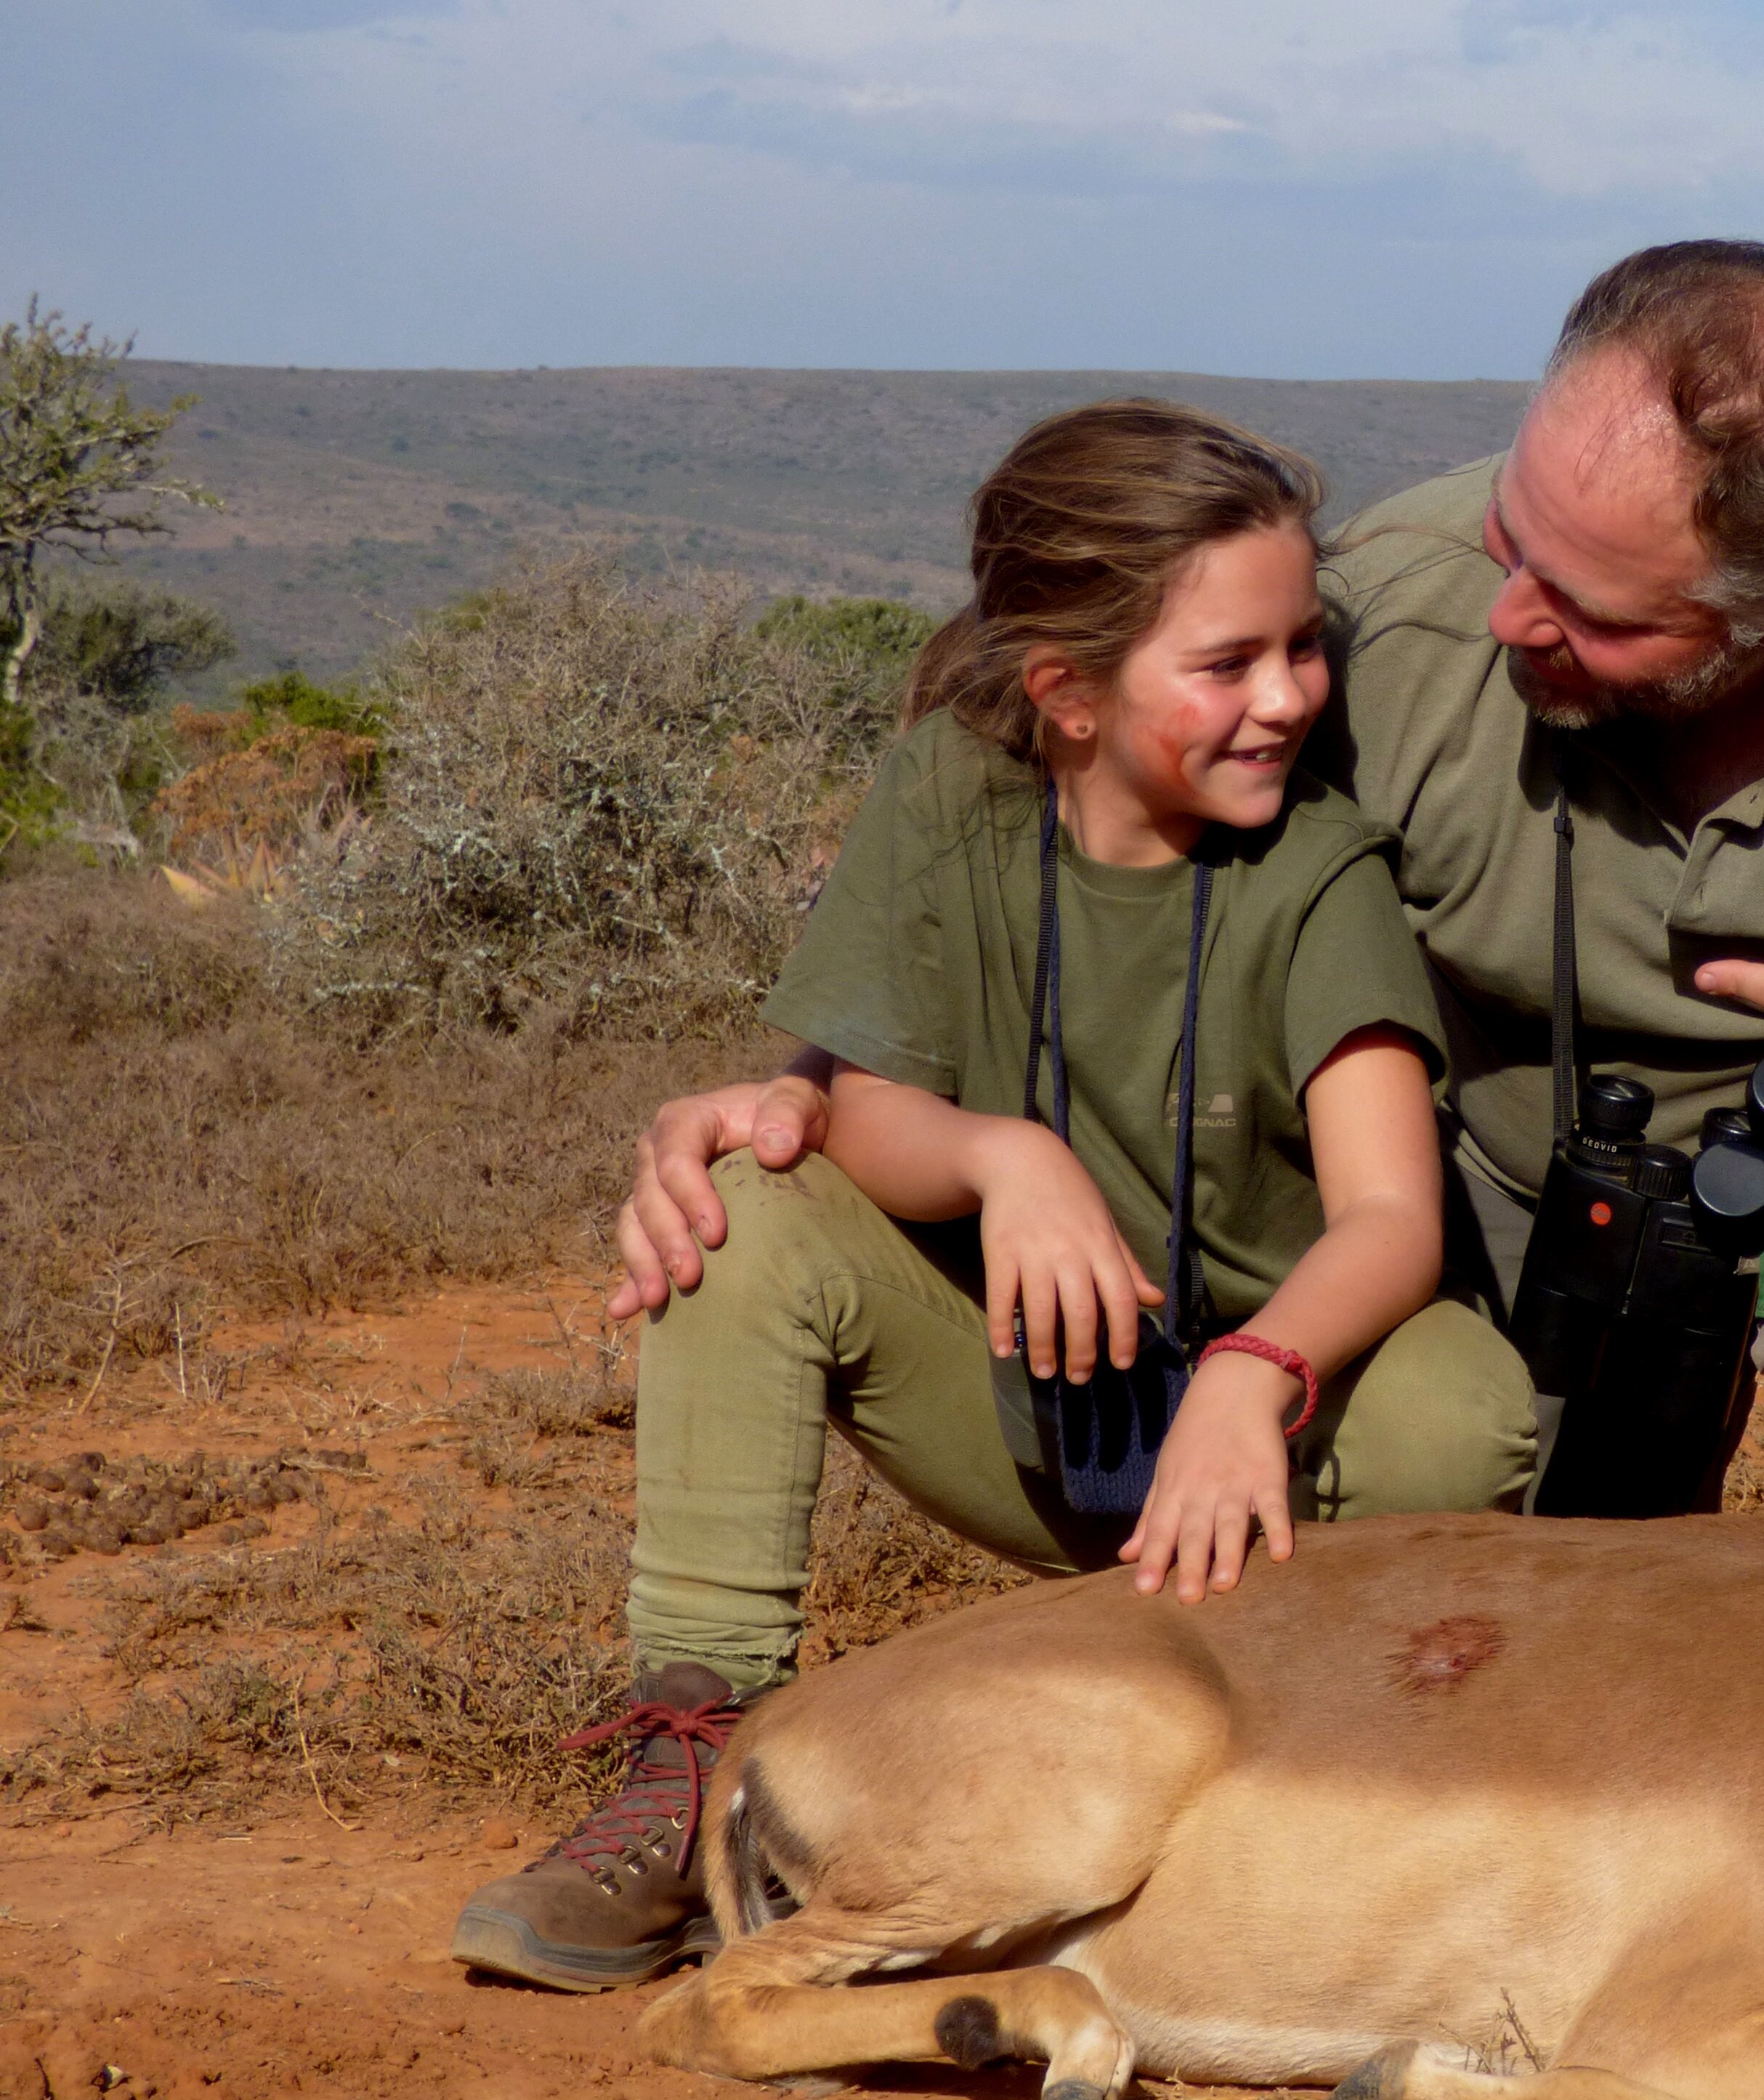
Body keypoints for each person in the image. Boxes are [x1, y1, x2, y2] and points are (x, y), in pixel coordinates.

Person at [607, 239, 1764, 1707]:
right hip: (1479, 1194)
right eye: (1516, 539)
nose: (1512, 611)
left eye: (1595, 608)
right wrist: (807, 1090)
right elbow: (1063, 789)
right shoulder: (1388, 609)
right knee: (1548, 1646)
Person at [452, 402, 1537, 1993]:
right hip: (1039, 1401)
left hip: (1276, 1457)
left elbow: (1393, 1218)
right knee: (739, 1209)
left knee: (1463, 1405)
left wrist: (1252, 1379)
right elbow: (864, 1101)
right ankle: (690, 1782)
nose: (1289, 699)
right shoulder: (951, 797)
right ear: (1065, 697)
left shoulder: (1320, 870)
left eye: (1305, 649)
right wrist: (1001, 1159)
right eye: (1229, 665)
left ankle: (1333, 1814)